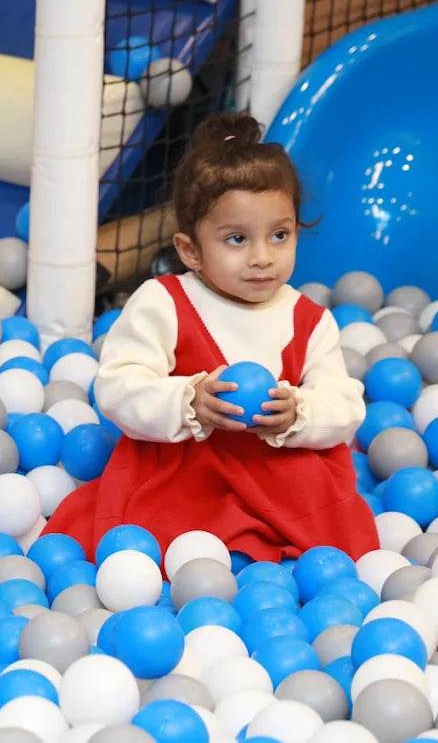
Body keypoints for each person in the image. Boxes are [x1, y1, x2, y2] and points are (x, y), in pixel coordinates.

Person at [45, 112, 379, 563]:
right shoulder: (164, 302)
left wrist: (299, 413)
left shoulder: (309, 320)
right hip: (186, 477)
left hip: (282, 481)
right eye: (237, 239)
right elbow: (118, 386)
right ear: (190, 251)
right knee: (151, 552)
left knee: (336, 550)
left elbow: (345, 406)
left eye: (279, 235)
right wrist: (188, 399)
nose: (262, 257)